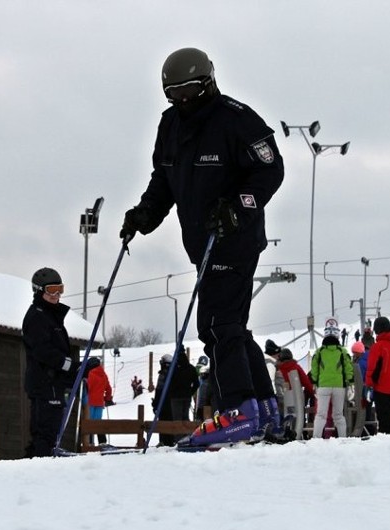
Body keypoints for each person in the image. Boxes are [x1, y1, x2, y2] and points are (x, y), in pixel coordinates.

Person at [119, 47, 284, 449]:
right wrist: (145, 214)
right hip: (200, 240)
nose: (183, 100)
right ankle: (264, 410)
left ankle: (237, 411)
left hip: (234, 235)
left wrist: (238, 207)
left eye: (190, 90)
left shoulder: (236, 119)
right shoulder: (170, 125)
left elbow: (271, 169)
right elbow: (165, 179)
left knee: (215, 324)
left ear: (208, 82)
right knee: (231, 327)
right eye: (173, 93)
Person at [22, 267, 78, 458]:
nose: (56, 295)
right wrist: (69, 365)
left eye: (60, 289)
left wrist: (79, 369)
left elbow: (59, 351)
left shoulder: (50, 315)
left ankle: (43, 462)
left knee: (51, 430)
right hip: (44, 385)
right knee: (44, 431)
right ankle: (39, 465)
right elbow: (43, 351)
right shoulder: (37, 317)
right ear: (39, 291)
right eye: (51, 290)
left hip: (54, 384)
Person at [311, 319, 354, 438]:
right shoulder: (342, 351)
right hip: (339, 386)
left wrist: (315, 381)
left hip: (323, 386)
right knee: (338, 415)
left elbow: (314, 369)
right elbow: (348, 368)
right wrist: (350, 382)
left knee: (321, 414)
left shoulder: (319, 352)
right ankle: (342, 438)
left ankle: (316, 438)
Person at [277, 348, 314, 440]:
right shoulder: (296, 367)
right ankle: (298, 434)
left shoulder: (279, 370)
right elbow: (306, 382)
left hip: (284, 398)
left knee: (286, 415)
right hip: (297, 396)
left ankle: (284, 434)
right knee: (299, 416)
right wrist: (312, 393)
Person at [84, 357, 114, 446]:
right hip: (100, 404)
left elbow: (87, 388)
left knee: (89, 423)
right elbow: (108, 389)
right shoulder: (104, 375)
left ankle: (89, 443)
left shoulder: (90, 374)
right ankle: (102, 442)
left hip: (89, 403)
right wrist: (107, 399)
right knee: (98, 422)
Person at [169, 348, 200, 427]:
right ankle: (187, 436)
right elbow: (197, 383)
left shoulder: (173, 369)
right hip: (186, 396)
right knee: (185, 418)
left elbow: (168, 383)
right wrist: (190, 392)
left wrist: (171, 392)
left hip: (175, 398)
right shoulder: (191, 369)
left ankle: (179, 437)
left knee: (177, 420)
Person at [153, 354, 177, 446]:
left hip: (164, 403)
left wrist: (155, 403)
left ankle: (164, 441)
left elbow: (159, 390)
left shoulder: (163, 374)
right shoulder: (175, 372)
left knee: (163, 420)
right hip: (173, 402)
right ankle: (171, 441)